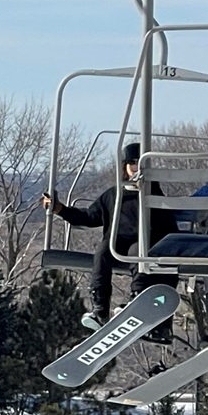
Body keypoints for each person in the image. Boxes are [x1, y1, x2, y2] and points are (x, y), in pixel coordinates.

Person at [41, 142, 179, 342]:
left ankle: (137, 298)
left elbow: (168, 226)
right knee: (102, 251)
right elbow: (89, 217)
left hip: (144, 245)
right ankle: (100, 308)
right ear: (125, 166)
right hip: (117, 244)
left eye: (142, 164)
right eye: (133, 163)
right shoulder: (114, 195)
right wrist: (60, 209)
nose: (137, 168)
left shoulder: (154, 194)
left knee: (137, 252)